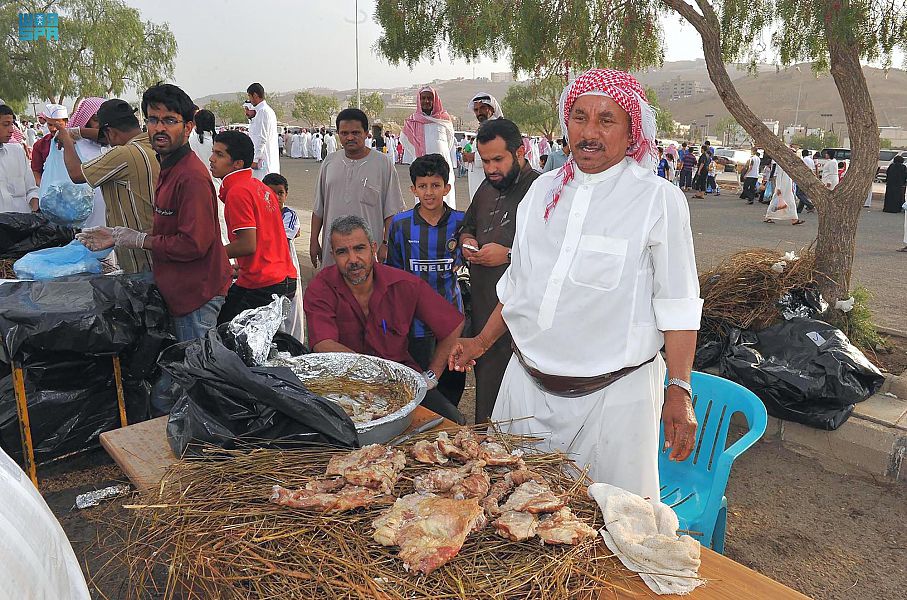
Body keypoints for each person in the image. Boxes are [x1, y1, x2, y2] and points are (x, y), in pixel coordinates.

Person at [449, 69, 701, 499]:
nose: (590, 132)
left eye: (607, 120)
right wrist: (480, 343)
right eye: (580, 118)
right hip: (525, 392)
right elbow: (519, 287)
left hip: (613, 404)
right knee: (508, 516)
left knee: (611, 534)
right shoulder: (542, 191)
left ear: (631, 130)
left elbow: (678, 304)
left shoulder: (658, 201)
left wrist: (679, 388)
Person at [78, 83, 231, 341]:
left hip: (196, 294)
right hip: (178, 287)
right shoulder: (168, 164)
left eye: (170, 120)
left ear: (188, 127)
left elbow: (194, 245)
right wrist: (118, 235)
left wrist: (140, 240)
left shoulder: (190, 176)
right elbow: (172, 228)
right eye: (153, 119)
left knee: (194, 372)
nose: (159, 128)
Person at [304, 215, 465, 424]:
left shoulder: (403, 283)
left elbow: (453, 324)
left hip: (401, 383)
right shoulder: (320, 287)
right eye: (343, 252)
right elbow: (323, 344)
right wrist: (375, 377)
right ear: (333, 254)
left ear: (373, 248)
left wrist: (431, 377)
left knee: (453, 422)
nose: (352, 260)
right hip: (341, 385)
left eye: (359, 248)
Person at [458, 117, 540, 423]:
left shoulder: (541, 190)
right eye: (485, 160)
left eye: (498, 159)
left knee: (520, 401)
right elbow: (469, 225)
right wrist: (467, 240)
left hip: (522, 320)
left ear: (519, 153)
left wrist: (506, 255)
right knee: (488, 392)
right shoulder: (487, 187)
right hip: (484, 309)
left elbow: (552, 254)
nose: (491, 168)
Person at [386, 153, 467, 408]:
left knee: (452, 383)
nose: (429, 192)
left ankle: (449, 427)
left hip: (451, 319)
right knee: (421, 385)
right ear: (413, 189)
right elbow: (394, 273)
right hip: (416, 322)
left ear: (447, 188)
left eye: (435, 185)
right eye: (423, 186)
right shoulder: (401, 225)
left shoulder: (461, 222)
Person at [56, 99, 159, 273]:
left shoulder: (123, 153)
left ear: (110, 131)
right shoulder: (153, 143)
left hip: (140, 257)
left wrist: (67, 141)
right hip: (158, 245)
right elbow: (108, 136)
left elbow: (76, 174)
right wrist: (78, 132)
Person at [208, 130, 297, 324]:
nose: (212, 159)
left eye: (220, 154)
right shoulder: (257, 185)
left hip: (265, 283)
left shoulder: (238, 192)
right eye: (213, 152)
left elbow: (248, 244)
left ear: (237, 163)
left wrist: (210, 257)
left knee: (226, 333)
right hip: (280, 277)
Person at [310, 108, 405, 269]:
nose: (350, 137)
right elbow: (319, 209)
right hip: (333, 250)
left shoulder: (383, 164)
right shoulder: (329, 162)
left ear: (366, 133)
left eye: (355, 132)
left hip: (367, 251)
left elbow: (392, 211)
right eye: (344, 133)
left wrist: (386, 244)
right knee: (333, 291)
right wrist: (313, 241)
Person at [262, 172, 306, 340]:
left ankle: (296, 348)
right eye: (271, 192)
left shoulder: (289, 215)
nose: (276, 197)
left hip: (288, 270)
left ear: (286, 195)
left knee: (292, 315)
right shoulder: (259, 213)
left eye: (280, 193)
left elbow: (278, 237)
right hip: (267, 270)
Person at [400, 86, 457, 208]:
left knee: (446, 200)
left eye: (430, 98)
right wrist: (419, 155)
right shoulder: (412, 122)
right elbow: (405, 140)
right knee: (424, 198)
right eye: (423, 98)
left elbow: (450, 142)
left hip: (443, 167)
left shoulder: (444, 120)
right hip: (422, 167)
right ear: (419, 100)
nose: (426, 101)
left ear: (435, 100)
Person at [65, 97, 107, 228]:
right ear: (85, 119)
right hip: (85, 219)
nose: (101, 124)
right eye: (96, 119)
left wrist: (79, 131)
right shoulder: (73, 147)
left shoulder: (114, 144)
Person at [0, 104, 40, 213]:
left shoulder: (17, 151)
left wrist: (35, 209)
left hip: (23, 225)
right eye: (5, 125)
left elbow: (32, 189)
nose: (11, 130)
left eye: (11, 124)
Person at [245, 83, 280, 179]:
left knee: (262, 187)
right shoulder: (264, 111)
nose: (250, 99)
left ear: (255, 95)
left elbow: (261, 137)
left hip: (263, 159)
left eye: (249, 96)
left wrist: (255, 159)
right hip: (264, 157)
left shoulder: (263, 111)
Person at [31, 103, 68, 186]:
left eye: (58, 125)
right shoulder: (40, 145)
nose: (53, 129)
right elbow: (36, 170)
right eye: (50, 125)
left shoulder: (76, 142)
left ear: (66, 122)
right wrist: (43, 187)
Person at [796, 149, 816, 213]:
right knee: (802, 193)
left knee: (799, 193)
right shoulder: (811, 160)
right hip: (809, 177)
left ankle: (810, 205)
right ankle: (799, 209)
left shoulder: (804, 160)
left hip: (803, 177)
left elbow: (801, 169)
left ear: (802, 154)